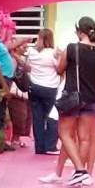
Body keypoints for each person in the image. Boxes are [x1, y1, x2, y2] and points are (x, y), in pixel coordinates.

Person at [55, 18, 95, 185]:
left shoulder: (72, 48)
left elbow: (59, 69)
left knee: (65, 134)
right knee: (85, 138)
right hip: (93, 97)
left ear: (80, 31)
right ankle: (81, 174)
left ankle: (80, 170)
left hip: (73, 97)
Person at [25, 28, 63, 158]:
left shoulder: (31, 52)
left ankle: (39, 147)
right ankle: (50, 145)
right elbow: (59, 69)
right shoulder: (52, 53)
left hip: (34, 87)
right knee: (53, 117)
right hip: (50, 88)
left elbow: (27, 67)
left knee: (37, 118)